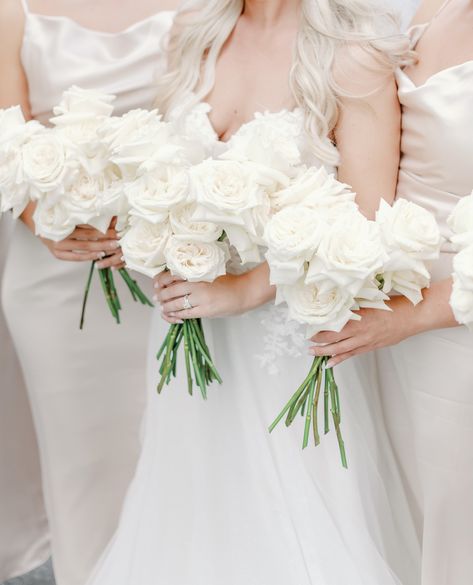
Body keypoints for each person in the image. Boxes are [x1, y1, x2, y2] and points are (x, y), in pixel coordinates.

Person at [87, 1, 421, 584]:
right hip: (184, 323)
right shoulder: (192, 34)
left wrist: (243, 290)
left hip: (287, 341)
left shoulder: (353, 54)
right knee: (185, 510)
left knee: (285, 522)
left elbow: (367, 223)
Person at [0, 1, 178, 583]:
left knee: (182, 455)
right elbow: (4, 132)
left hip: (174, 264)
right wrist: (45, 216)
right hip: (54, 279)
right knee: (85, 466)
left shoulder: (209, 8)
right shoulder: (12, 11)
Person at [310, 1, 473, 583]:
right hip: (389, 316)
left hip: (453, 330)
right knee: (404, 519)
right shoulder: (425, 11)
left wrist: (416, 315)